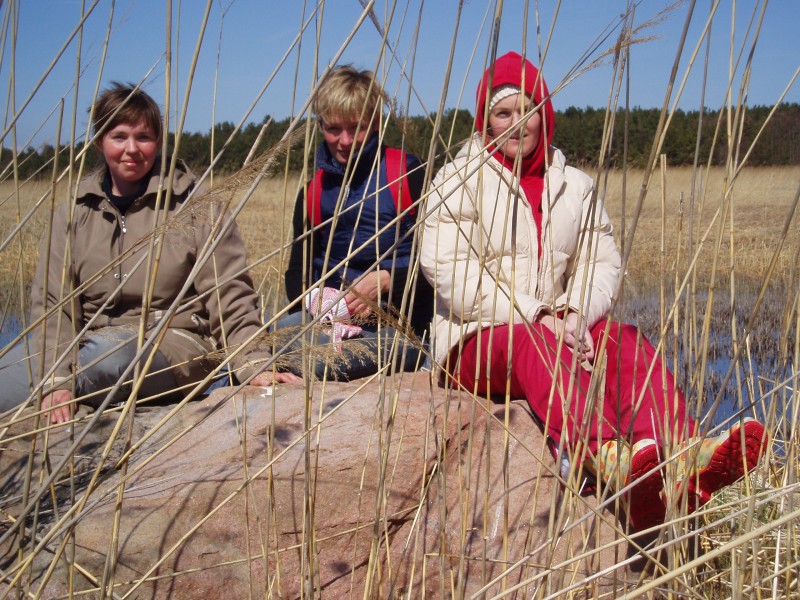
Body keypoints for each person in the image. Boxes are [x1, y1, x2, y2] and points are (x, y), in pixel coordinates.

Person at [419, 51, 768, 532]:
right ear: (484, 120)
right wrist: (538, 315)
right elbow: (449, 270)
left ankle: (678, 454)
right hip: (476, 338)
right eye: (503, 112)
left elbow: (601, 262)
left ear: (545, 115)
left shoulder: (574, 185)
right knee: (533, 343)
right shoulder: (457, 181)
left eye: (527, 110)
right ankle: (604, 457)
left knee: (624, 340)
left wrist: (575, 313)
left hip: (559, 327)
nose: (516, 123)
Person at [0, 83, 298, 424]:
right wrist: (55, 379)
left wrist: (253, 362)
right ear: (100, 141)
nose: (131, 149)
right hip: (84, 342)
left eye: (143, 137)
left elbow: (230, 293)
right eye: (119, 137)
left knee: (107, 360)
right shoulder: (74, 211)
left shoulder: (197, 205)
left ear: (158, 142)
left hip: (172, 345)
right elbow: (54, 304)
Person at [280, 65, 432, 380]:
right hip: (330, 324)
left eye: (356, 128)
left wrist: (388, 280)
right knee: (267, 338)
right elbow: (297, 273)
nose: (345, 140)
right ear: (320, 125)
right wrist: (318, 303)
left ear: (375, 123)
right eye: (334, 129)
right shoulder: (313, 191)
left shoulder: (409, 174)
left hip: (402, 327)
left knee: (317, 363)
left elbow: (443, 267)